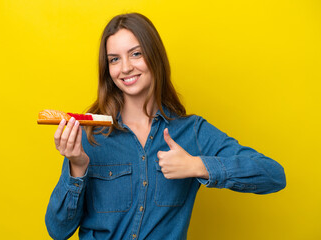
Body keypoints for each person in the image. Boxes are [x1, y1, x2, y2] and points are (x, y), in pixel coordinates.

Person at [45, 13, 286, 240]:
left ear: (155, 56)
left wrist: (197, 165)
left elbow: (273, 175)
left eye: (136, 54)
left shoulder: (192, 132)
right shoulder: (91, 135)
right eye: (114, 59)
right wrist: (77, 166)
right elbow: (58, 230)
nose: (126, 67)